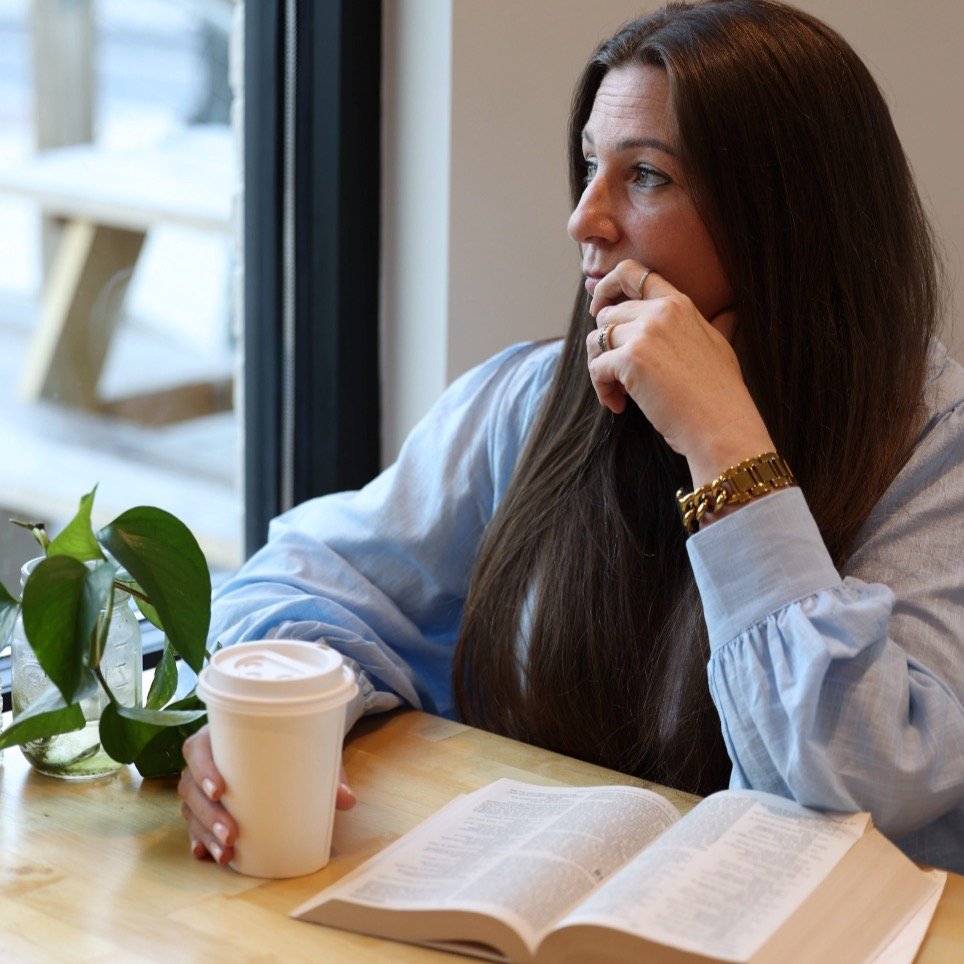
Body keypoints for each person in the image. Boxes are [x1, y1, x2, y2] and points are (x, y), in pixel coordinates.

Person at [179, 0, 964, 874]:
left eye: (646, 175)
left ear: (790, 212)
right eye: (591, 165)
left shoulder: (939, 456)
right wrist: (270, 717)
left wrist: (724, 441)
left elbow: (861, 781)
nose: (585, 217)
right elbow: (302, 582)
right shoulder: (529, 402)